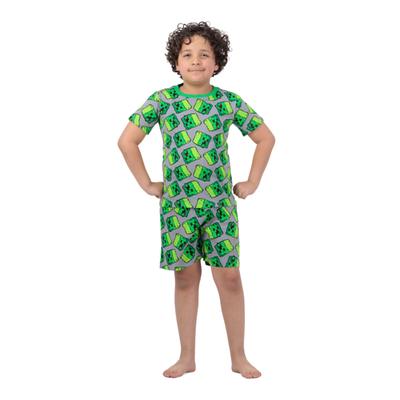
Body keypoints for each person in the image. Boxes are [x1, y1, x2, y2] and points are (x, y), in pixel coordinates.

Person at [117, 21, 275, 379]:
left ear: (217, 63)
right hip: (178, 209)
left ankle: (239, 356)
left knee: (230, 278)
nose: (196, 61)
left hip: (220, 209)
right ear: (176, 62)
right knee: (185, 278)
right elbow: (127, 141)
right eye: (187, 54)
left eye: (205, 54)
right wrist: (147, 184)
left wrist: (252, 181)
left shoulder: (228, 102)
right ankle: (186, 356)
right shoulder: (163, 101)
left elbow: (265, 138)